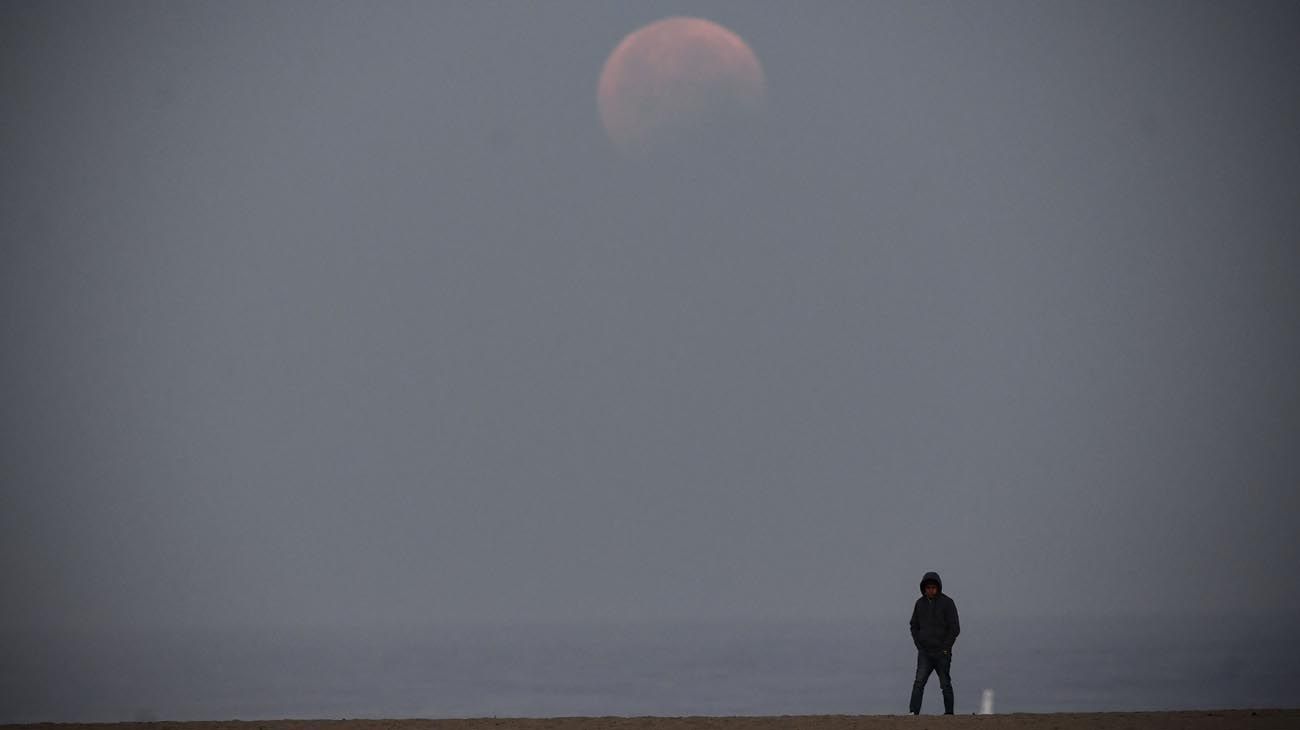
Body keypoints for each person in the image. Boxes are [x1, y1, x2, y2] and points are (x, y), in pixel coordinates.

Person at [908, 571, 960, 715]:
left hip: (942, 653)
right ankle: (913, 713)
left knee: (945, 684)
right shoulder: (919, 604)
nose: (930, 590)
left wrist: (945, 648)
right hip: (925, 653)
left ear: (938, 588)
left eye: (933, 587)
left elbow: (955, 628)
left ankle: (949, 714)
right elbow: (913, 625)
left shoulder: (947, 603)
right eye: (928, 587)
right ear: (924, 588)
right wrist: (919, 645)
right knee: (919, 683)